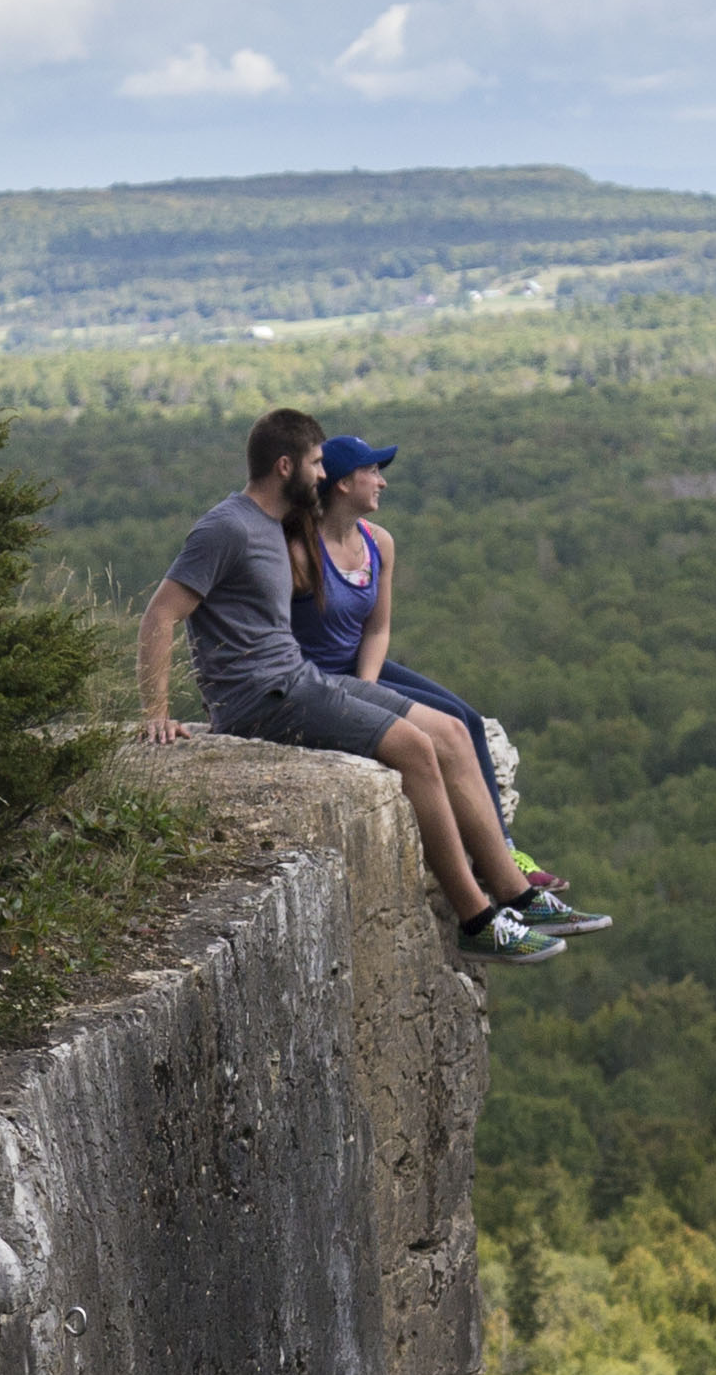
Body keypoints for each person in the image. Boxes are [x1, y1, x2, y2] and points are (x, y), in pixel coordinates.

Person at [137, 407, 563, 962]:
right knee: (414, 749)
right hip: (263, 699)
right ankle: (477, 919)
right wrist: (157, 712)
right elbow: (160, 613)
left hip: (300, 679)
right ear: (285, 465)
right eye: (316, 463)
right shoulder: (227, 526)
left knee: (452, 731)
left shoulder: (274, 525)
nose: (321, 473)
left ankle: (517, 893)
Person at [288, 433, 610, 937]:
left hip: (360, 669)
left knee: (467, 722)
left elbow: (377, 628)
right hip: (317, 680)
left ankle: (501, 856)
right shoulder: (299, 550)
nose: (382, 480)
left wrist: (368, 686)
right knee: (444, 736)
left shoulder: (378, 542)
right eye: (373, 471)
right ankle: (504, 884)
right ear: (344, 483)